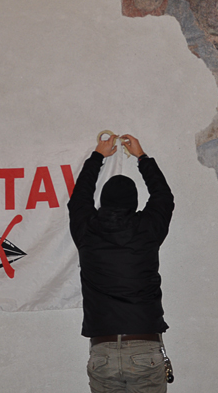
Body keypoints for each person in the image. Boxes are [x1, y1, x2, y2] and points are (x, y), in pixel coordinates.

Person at [68, 134, 173, 392]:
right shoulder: (146, 229)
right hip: (144, 348)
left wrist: (97, 157)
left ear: (103, 201)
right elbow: (163, 197)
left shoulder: (87, 231)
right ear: (134, 202)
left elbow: (78, 199)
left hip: (102, 352)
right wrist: (142, 157)